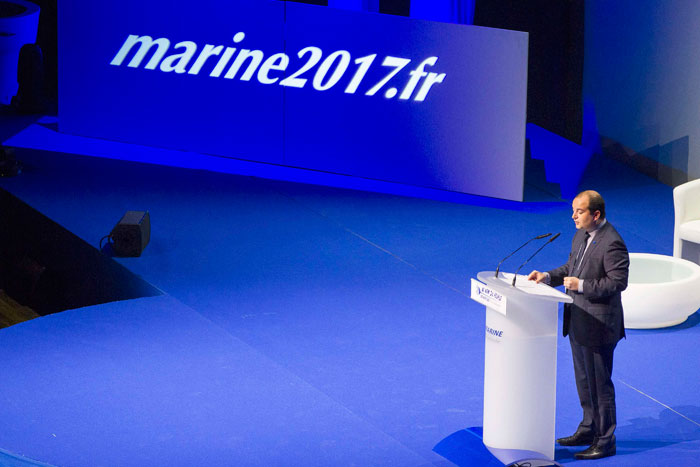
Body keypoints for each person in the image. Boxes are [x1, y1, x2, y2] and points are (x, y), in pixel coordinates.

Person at [528, 190, 629, 461]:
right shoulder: (581, 234)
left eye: (579, 212)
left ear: (596, 215)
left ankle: (605, 440)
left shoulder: (612, 243)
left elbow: (618, 282)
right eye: (574, 210)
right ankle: (588, 428)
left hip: (599, 326)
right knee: (585, 382)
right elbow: (572, 267)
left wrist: (581, 285)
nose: (573, 216)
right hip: (578, 321)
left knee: (600, 385)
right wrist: (548, 276)